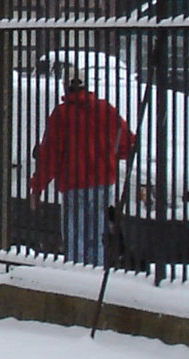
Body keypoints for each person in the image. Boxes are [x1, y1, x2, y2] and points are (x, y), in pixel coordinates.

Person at [28, 73, 138, 266]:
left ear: (65, 86)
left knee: (74, 236)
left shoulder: (61, 115)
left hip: (74, 183)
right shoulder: (106, 110)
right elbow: (127, 144)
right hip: (102, 183)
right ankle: (95, 272)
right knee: (97, 234)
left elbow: (50, 155)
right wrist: (108, 154)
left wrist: (37, 187)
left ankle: (76, 274)